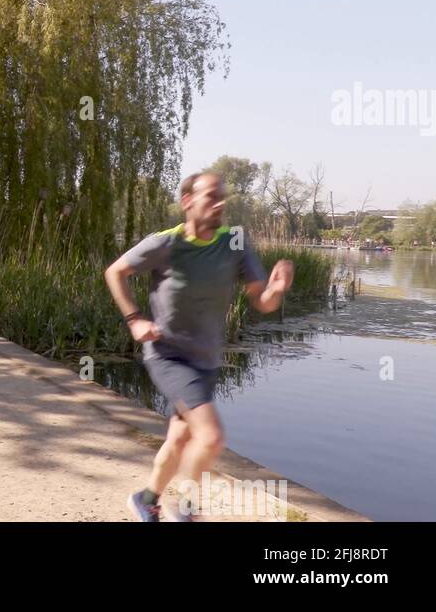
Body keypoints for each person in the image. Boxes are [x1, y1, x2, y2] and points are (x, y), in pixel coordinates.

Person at [104, 172, 294, 522]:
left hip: (206, 359)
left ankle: (146, 499)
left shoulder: (235, 242)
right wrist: (134, 319)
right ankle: (186, 511)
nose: (219, 204)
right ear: (188, 202)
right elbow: (115, 272)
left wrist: (277, 290)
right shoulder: (166, 243)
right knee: (211, 437)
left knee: (180, 439)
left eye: (222, 197)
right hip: (168, 354)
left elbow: (262, 302)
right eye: (211, 197)